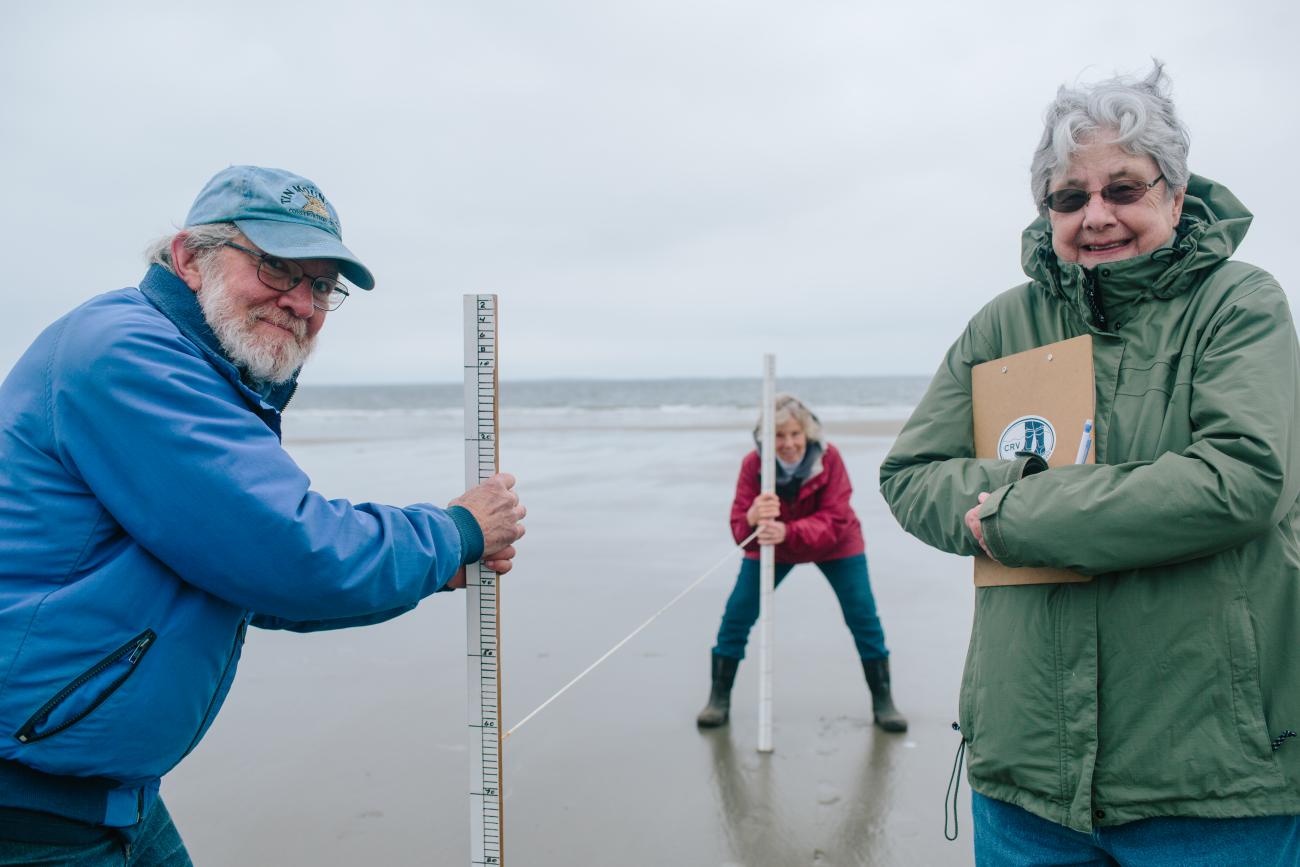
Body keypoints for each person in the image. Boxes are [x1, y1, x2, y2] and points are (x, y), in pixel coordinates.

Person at [0, 166, 526, 865]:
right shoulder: (128, 353)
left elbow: (243, 574)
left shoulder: (203, 371)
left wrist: (434, 571)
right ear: (189, 257)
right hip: (31, 809)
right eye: (277, 267)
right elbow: (290, 552)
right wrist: (457, 530)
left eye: (320, 286)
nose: (300, 301)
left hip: (105, 794)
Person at [879, 64, 1300, 864]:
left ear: (1175, 196)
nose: (1096, 215)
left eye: (1124, 189)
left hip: (1214, 775)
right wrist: (1005, 493)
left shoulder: (1240, 304)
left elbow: (1239, 480)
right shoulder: (1005, 322)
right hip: (1025, 774)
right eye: (1070, 197)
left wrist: (1010, 512)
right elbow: (910, 474)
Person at [697, 394, 906, 733]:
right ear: (767, 439)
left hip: (835, 543)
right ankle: (718, 700)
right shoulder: (754, 465)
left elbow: (836, 519)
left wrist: (788, 530)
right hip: (772, 545)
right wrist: (751, 517)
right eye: (779, 436)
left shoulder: (829, 458)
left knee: (863, 616)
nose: (789, 443)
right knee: (737, 615)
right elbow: (740, 527)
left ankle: (884, 703)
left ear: (806, 433)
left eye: (795, 434)